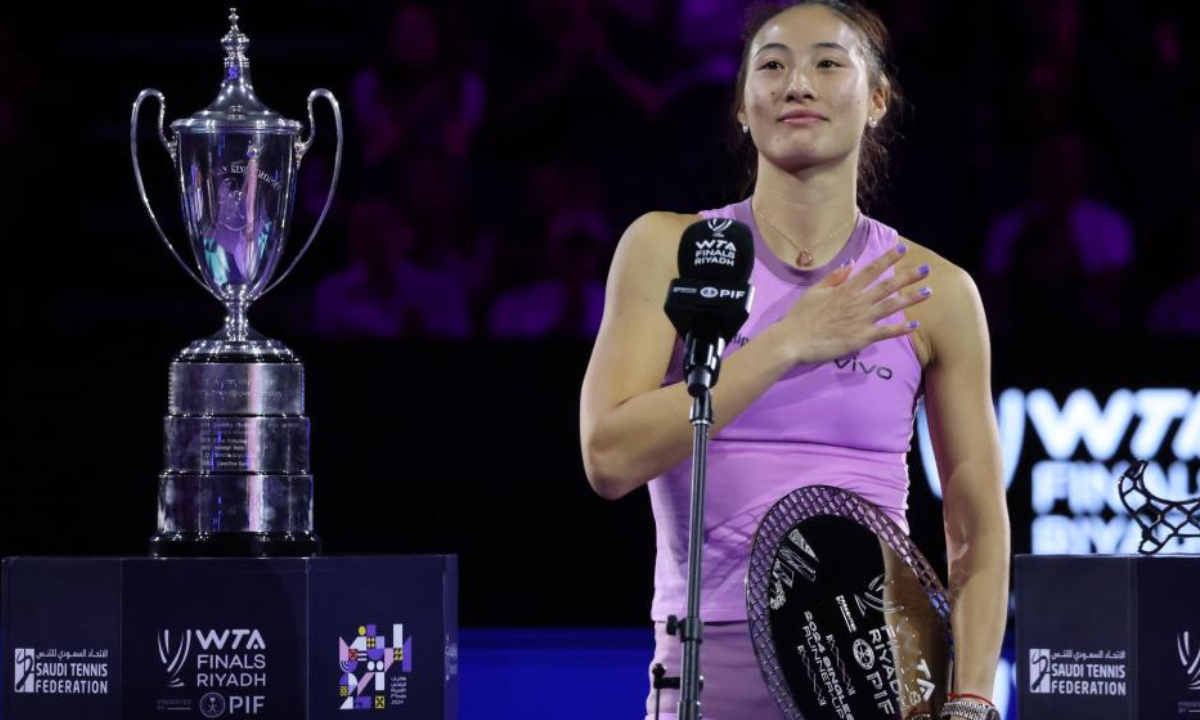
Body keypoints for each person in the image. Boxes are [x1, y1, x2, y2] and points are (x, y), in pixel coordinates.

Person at [578, 2, 1010, 719]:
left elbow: (978, 529)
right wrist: (788, 342)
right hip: (707, 658)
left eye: (828, 63)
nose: (797, 83)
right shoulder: (670, 250)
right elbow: (608, 458)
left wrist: (970, 700)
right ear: (743, 108)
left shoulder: (935, 292)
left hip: (880, 666)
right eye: (771, 65)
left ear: (877, 101)